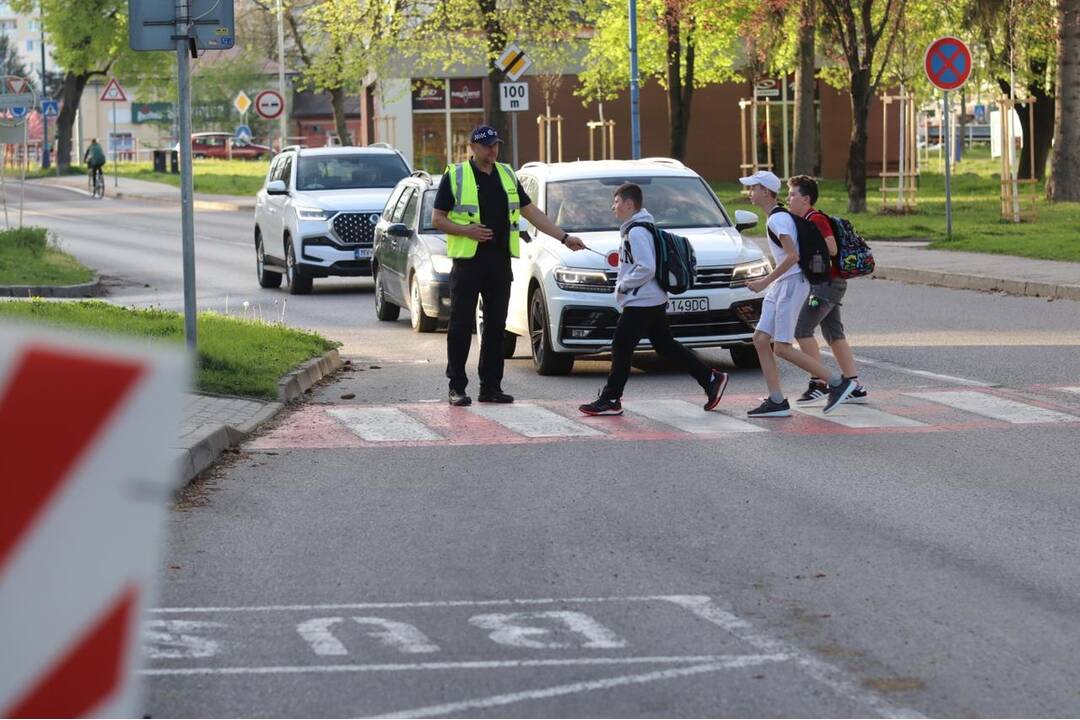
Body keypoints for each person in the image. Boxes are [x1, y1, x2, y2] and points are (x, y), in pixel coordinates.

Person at [432, 125, 585, 407]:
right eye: (487, 145)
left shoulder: (506, 174)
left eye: (496, 144)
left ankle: (490, 387)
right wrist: (467, 231)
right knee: (461, 325)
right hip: (468, 263)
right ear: (473, 147)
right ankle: (457, 387)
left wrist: (564, 237)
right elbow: (438, 219)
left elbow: (532, 212)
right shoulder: (456, 175)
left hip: (499, 262)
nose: (493, 149)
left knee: (495, 327)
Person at [578, 182, 729, 416]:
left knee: (621, 345)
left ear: (629, 204)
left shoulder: (637, 231)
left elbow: (646, 267)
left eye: (616, 202)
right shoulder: (641, 227)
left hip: (642, 300)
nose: (613, 207)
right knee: (665, 345)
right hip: (652, 298)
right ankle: (711, 378)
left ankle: (610, 398)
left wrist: (623, 285)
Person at [740, 170, 857, 417]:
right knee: (760, 339)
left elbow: (793, 256)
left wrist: (763, 282)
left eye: (754, 188)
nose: (750, 192)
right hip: (782, 284)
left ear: (766, 191)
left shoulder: (777, 220)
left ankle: (837, 382)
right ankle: (776, 400)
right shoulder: (777, 217)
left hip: (792, 283)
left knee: (782, 348)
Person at [787, 175, 867, 406]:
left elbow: (831, 248)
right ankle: (854, 385)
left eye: (793, 195)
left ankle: (819, 382)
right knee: (834, 333)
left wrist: (805, 253)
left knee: (802, 330)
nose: (789, 199)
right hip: (829, 283)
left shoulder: (816, 219)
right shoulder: (806, 219)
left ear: (806, 199)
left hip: (827, 284)